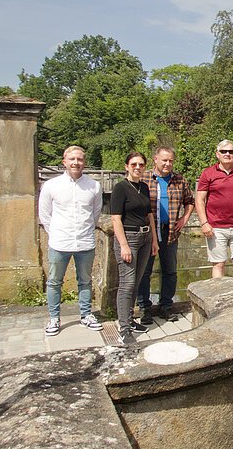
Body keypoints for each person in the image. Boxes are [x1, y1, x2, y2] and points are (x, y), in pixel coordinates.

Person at [39, 145, 103, 337]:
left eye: (80, 159)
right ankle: (54, 318)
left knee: (85, 280)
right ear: (64, 162)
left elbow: (96, 213)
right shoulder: (51, 185)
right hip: (60, 242)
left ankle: (86, 315)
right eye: (72, 159)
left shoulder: (94, 186)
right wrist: (57, 233)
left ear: (84, 162)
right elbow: (44, 214)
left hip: (85, 241)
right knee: (54, 281)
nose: (76, 163)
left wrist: (85, 230)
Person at [137, 146, 194, 323]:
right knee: (144, 272)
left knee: (170, 271)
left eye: (170, 160)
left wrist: (184, 218)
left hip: (169, 231)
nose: (168, 164)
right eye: (164, 160)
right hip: (147, 233)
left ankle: (166, 307)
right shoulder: (144, 178)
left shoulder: (179, 180)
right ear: (155, 159)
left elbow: (190, 201)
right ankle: (145, 309)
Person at [111, 152, 158, 345]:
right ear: (127, 166)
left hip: (146, 237)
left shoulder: (144, 187)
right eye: (134, 164)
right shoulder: (120, 188)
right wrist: (124, 245)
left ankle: (131, 319)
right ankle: (124, 329)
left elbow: (150, 215)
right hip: (129, 238)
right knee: (127, 284)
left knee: (137, 282)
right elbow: (115, 219)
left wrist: (154, 240)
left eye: (141, 164)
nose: (137, 167)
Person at [195, 140, 233, 277]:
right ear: (217, 154)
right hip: (215, 227)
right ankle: (217, 298)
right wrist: (204, 223)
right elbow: (199, 200)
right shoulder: (208, 173)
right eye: (223, 151)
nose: (227, 154)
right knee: (218, 264)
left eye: (231, 151)